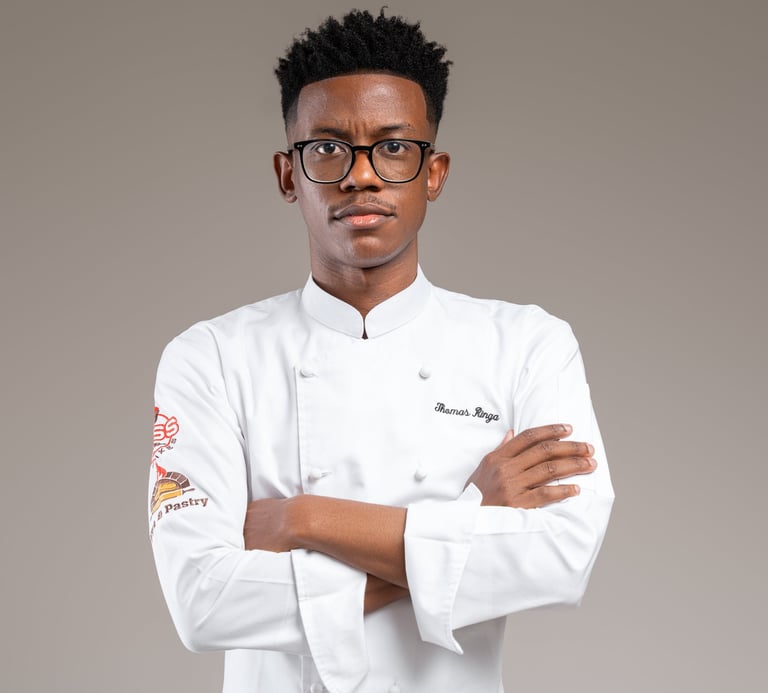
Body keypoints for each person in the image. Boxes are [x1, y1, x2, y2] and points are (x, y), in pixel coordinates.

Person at [148, 9, 614, 693]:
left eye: (393, 147)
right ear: (288, 175)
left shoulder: (526, 345)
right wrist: (468, 522)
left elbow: (562, 556)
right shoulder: (210, 357)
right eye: (328, 148)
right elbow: (202, 598)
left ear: (434, 172)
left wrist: (304, 518)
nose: (361, 176)